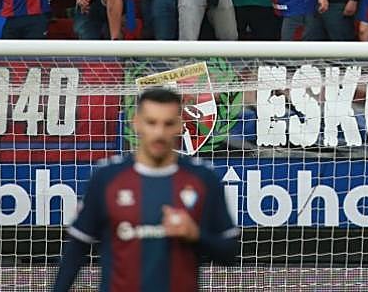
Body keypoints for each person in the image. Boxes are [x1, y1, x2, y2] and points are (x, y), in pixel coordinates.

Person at [50, 87, 240, 292]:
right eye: (151, 122)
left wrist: (195, 235)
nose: (159, 133)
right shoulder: (106, 178)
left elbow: (230, 253)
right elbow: (75, 250)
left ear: (180, 125)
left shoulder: (203, 178)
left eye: (168, 123)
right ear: (136, 123)